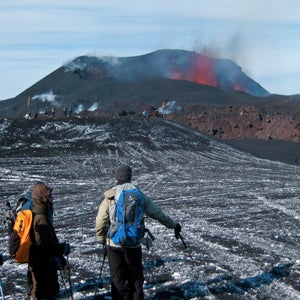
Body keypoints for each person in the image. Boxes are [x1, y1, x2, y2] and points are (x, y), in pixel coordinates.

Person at [95, 165, 181, 300]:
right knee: (135, 278)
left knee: (118, 278)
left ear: (116, 179)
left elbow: (100, 221)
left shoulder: (110, 196)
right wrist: (174, 225)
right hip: (134, 243)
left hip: (114, 244)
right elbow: (157, 213)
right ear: (130, 178)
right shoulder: (139, 195)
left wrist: (102, 238)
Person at [28, 182, 70, 300]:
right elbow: (48, 243)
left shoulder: (37, 212)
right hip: (43, 260)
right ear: (43, 198)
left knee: (39, 288)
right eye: (49, 196)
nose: (52, 199)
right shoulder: (41, 216)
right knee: (45, 290)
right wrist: (63, 248)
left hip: (37, 259)